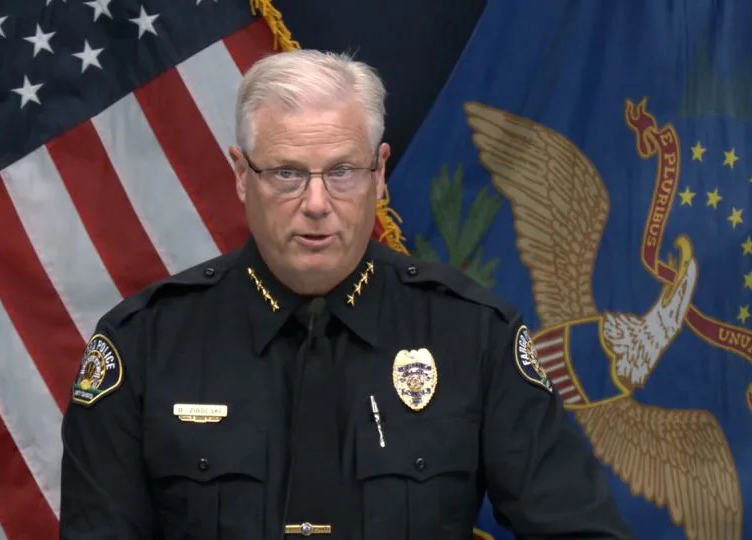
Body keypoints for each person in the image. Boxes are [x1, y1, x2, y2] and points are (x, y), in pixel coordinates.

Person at [59, 49, 633, 539]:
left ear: (379, 174)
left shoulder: (472, 336)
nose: (316, 203)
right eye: (287, 173)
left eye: (341, 172)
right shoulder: (145, 346)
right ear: (241, 175)